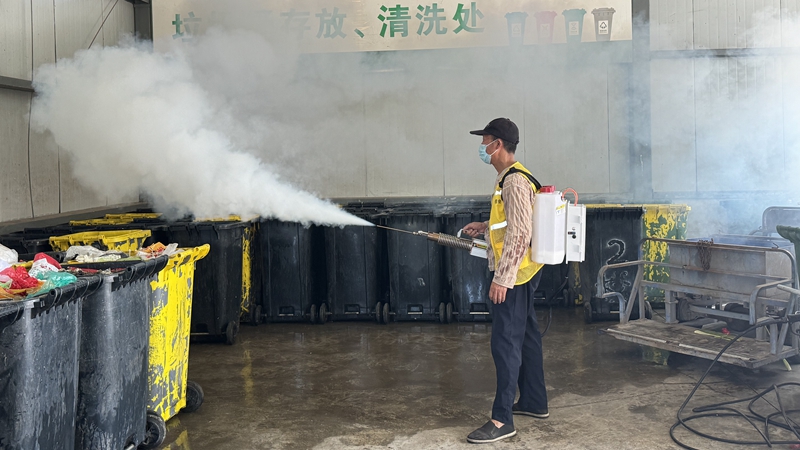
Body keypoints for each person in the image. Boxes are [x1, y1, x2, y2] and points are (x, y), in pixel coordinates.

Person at [461, 118, 549, 444]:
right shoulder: (512, 178)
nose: (482, 149)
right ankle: (534, 401)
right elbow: (511, 221)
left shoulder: (512, 181)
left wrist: (502, 279)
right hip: (525, 274)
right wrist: (485, 227)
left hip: (514, 277)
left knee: (505, 345)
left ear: (497, 144)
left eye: (484, 142)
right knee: (526, 338)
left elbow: (521, 232)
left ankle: (501, 421)